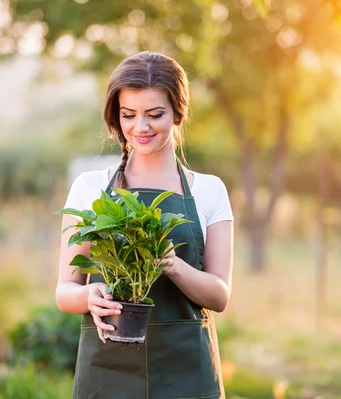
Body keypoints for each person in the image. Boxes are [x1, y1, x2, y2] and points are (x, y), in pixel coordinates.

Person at [57, 51, 234, 399]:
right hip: (108, 368)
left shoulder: (209, 190)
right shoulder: (89, 187)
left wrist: (172, 264)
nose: (140, 127)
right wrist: (88, 296)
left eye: (155, 114)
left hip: (186, 367)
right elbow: (65, 291)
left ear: (178, 113)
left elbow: (220, 295)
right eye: (128, 115)